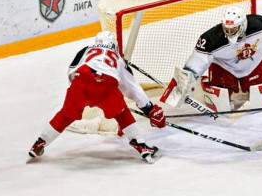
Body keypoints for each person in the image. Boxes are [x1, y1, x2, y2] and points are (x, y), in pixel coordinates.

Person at [28, 31, 165, 162]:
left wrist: (78, 91)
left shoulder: (86, 50)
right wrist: (149, 109)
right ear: (114, 45)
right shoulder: (118, 59)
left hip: (80, 82)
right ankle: (142, 147)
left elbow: (72, 70)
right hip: (106, 85)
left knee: (65, 115)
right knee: (122, 113)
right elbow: (132, 87)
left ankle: (40, 143)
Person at [168, 7, 262, 112]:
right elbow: (196, 63)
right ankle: (222, 85)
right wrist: (183, 84)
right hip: (224, 67)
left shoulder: (260, 25)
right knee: (220, 104)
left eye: (233, 29)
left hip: (252, 65)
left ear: (242, 25)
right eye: (227, 29)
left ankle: (249, 82)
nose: (229, 32)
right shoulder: (210, 39)